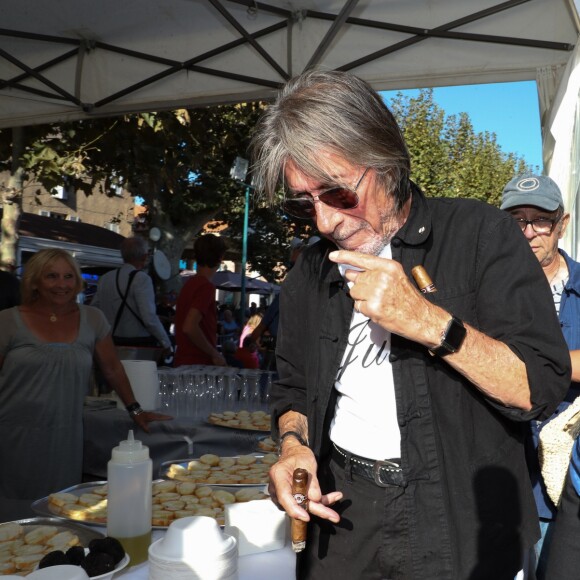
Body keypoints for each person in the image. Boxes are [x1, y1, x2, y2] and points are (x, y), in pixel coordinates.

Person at [249, 70, 571, 579]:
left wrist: (429, 323)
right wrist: (293, 447)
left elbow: (539, 387)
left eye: (336, 193)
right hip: (343, 517)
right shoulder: (311, 270)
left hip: (459, 520)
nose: (324, 222)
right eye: (302, 202)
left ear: (385, 160)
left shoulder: (482, 235)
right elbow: (291, 390)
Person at [0, 249, 171, 516]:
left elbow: (113, 369)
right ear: (34, 281)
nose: (62, 284)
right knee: (13, 514)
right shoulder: (7, 321)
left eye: (69, 276)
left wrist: (135, 410)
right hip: (13, 434)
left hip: (65, 435)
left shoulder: (93, 318)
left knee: (61, 510)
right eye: (52, 276)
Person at [500, 174, 580, 580]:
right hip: (500, 480)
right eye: (517, 219)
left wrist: (523, 366)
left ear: (561, 224)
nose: (529, 232)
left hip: (563, 489)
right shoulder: (487, 291)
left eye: (541, 220)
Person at [92, 236, 171, 356]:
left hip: (109, 343)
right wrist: (166, 343)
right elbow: (149, 318)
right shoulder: (142, 279)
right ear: (144, 256)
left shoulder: (105, 278)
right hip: (136, 346)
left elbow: (94, 309)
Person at [174, 234, 227, 367]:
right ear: (220, 258)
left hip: (182, 361)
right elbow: (189, 327)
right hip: (197, 365)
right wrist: (214, 354)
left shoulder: (189, 284)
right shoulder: (206, 287)